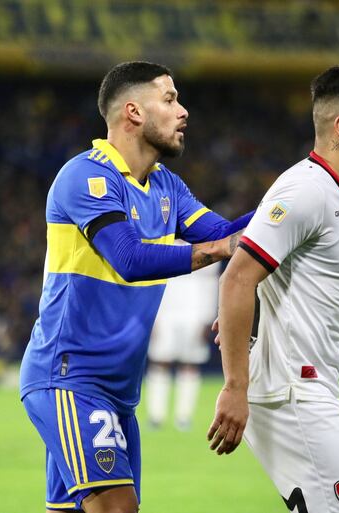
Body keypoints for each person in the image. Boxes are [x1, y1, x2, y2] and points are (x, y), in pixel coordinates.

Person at [19, 61, 252, 513]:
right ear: (133, 113)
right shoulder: (85, 177)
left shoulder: (167, 185)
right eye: (169, 99)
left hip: (118, 392)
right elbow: (129, 258)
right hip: (68, 379)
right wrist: (220, 248)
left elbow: (225, 231)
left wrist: (292, 202)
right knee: (119, 507)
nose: (183, 111)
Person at [208, 66, 339, 513]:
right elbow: (237, 278)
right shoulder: (305, 192)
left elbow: (263, 277)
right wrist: (235, 386)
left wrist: (252, 307)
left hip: (321, 390)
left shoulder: (337, 194)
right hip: (294, 395)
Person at [146, 256, 219, 431]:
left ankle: (184, 417)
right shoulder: (162, 242)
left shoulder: (204, 244)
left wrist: (207, 317)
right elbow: (151, 280)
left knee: (190, 364)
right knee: (159, 362)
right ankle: (156, 416)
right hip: (165, 312)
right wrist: (152, 315)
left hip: (193, 313)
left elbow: (211, 283)